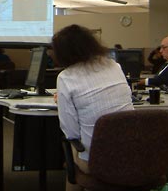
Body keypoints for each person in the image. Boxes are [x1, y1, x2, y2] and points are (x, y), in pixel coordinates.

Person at [52, 24, 133, 191]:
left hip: (98, 162)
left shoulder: (66, 77)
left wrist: (64, 102)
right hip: (131, 154)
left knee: (72, 158)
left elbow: (71, 132)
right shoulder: (114, 66)